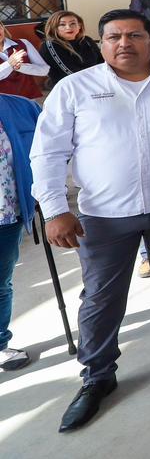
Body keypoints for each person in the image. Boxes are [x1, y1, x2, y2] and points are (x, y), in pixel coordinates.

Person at [31, 9, 150, 432]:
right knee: (102, 297)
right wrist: (55, 209)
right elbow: (48, 153)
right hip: (103, 216)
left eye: (134, 36)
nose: (124, 44)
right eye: (114, 37)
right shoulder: (75, 88)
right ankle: (97, 374)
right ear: (101, 43)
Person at [0, 90, 40, 371]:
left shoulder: (22, 108)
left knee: (1, 281)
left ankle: (0, 344)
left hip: (7, 213)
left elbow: (50, 152)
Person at [40, 10, 103, 89]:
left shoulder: (87, 40)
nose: (68, 27)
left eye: (73, 23)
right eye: (62, 24)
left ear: (79, 25)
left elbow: (102, 62)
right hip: (70, 88)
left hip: (96, 84)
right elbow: (69, 72)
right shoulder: (50, 45)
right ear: (54, 28)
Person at [0, 21, 48, 99]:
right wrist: (10, 63)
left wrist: (21, 67)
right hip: (3, 103)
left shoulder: (23, 43)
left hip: (28, 99)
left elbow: (44, 70)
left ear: (3, 28)